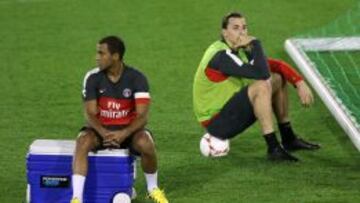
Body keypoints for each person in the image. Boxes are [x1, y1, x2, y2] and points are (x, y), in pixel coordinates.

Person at [193, 12, 320, 161]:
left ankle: (289, 138)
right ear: (224, 33)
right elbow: (263, 73)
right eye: (235, 28)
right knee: (261, 85)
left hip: (229, 111)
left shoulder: (235, 51)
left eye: (244, 28)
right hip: (216, 123)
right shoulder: (220, 56)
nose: (242, 32)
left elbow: (274, 65)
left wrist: (299, 82)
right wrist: (255, 43)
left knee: (277, 79)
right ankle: (273, 148)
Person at [71, 36, 168, 203]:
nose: (97, 57)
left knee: (146, 142)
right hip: (101, 131)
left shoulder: (137, 78)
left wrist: (124, 133)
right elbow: (90, 114)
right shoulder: (92, 78)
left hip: (128, 132)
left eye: (102, 53)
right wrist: (104, 132)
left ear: (115, 56)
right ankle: (77, 198)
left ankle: (153, 189)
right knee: (83, 141)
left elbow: (142, 116)